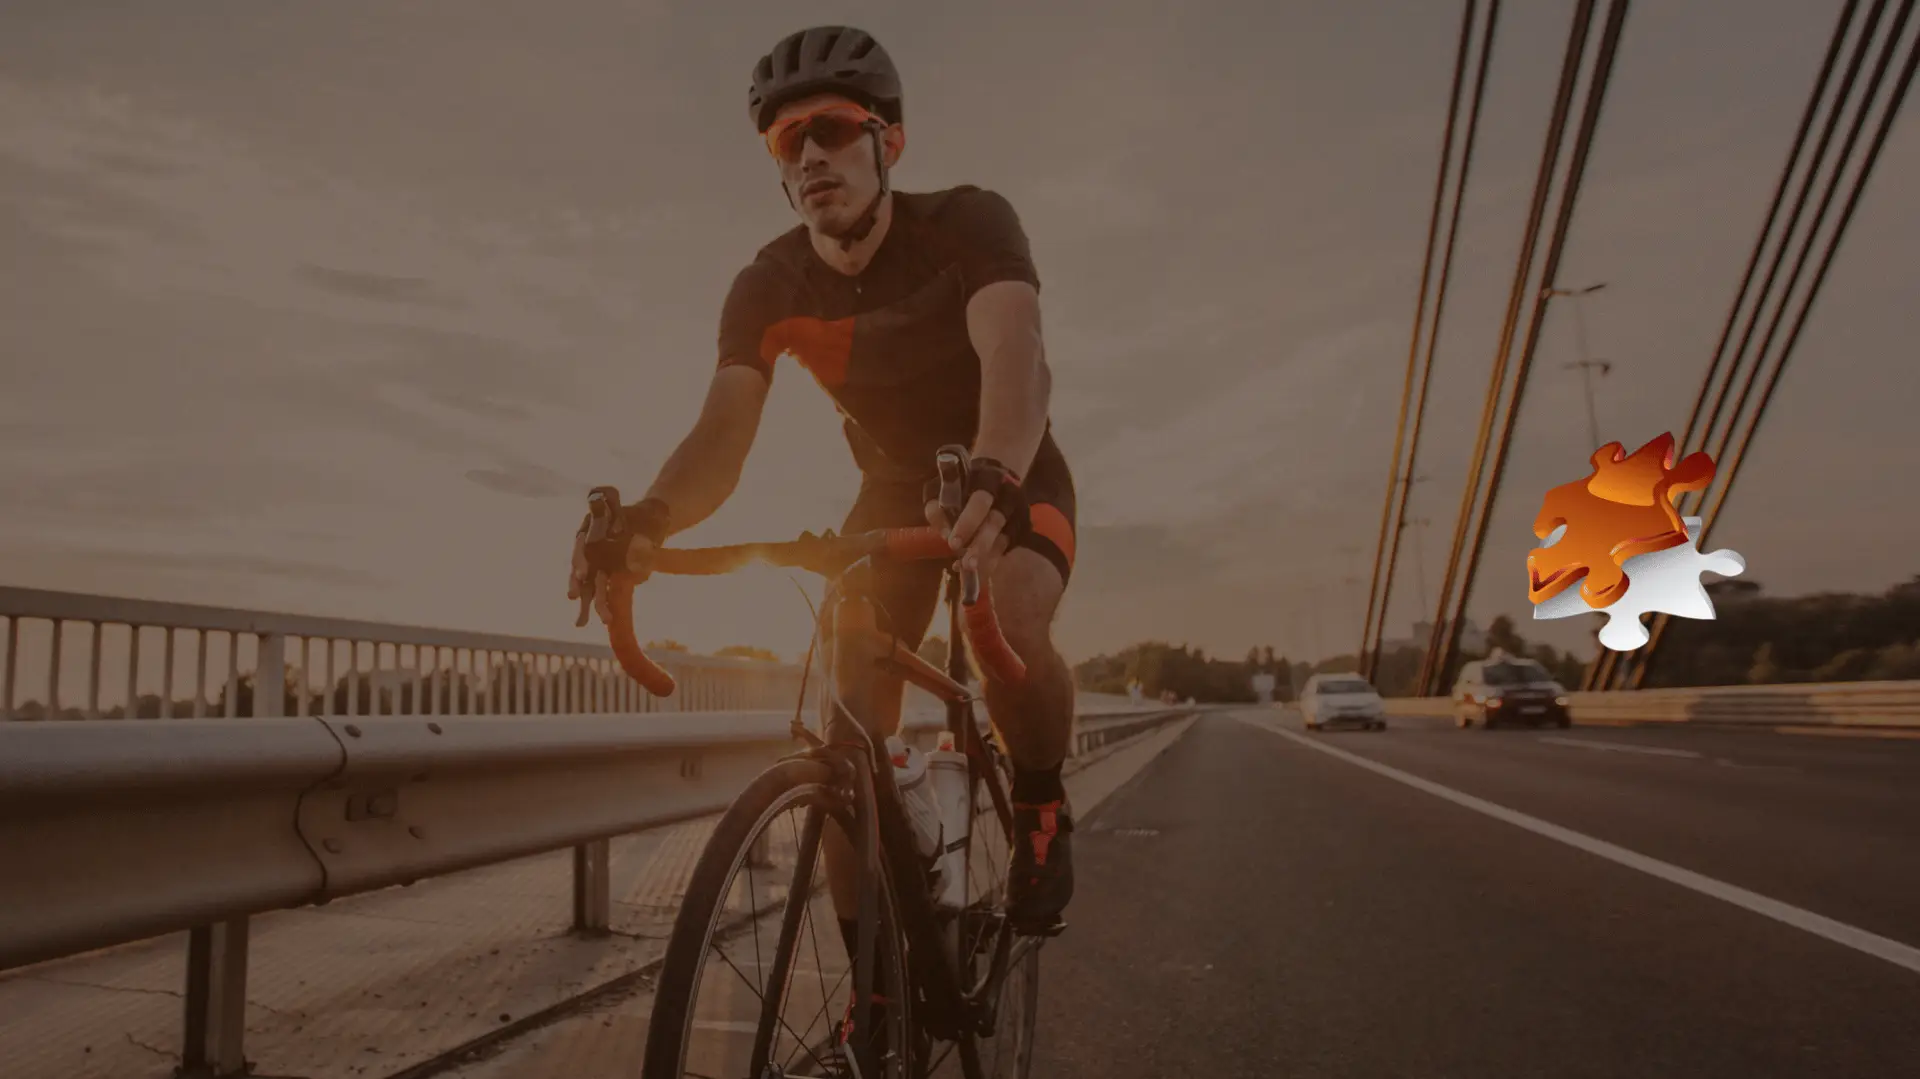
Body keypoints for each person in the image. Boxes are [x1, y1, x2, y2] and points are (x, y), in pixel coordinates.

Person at [566, 20, 1079, 1031]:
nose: (807, 155)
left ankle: (1041, 804)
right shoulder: (769, 283)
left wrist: (997, 474)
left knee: (1015, 622)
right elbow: (722, 431)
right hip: (891, 491)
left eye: (833, 129)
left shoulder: (970, 224)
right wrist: (649, 519)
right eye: (784, 141)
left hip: (1006, 462)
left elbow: (1016, 359)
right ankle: (877, 985)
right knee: (847, 720)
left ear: (888, 141)